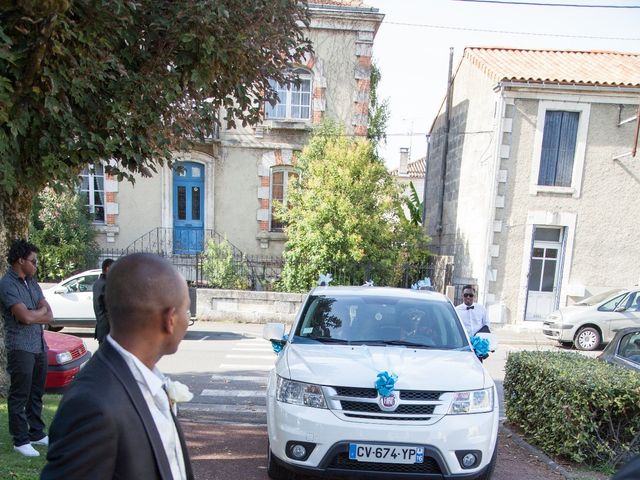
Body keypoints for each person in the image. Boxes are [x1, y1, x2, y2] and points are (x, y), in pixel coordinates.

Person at [41, 253, 194, 479]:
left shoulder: (145, 379)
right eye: (187, 311)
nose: (187, 321)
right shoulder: (92, 405)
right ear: (170, 319)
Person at [0, 239, 53, 457]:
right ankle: (20, 440)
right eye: (33, 261)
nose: (36, 265)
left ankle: (36, 433)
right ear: (20, 260)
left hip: (39, 345)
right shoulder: (7, 284)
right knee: (20, 394)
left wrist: (34, 315)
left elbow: (48, 313)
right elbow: (24, 317)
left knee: (36, 393)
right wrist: (34, 314)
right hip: (20, 347)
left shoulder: (31, 282)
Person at [92, 258, 114, 343]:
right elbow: (99, 307)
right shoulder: (102, 284)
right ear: (108, 269)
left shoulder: (108, 283)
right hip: (106, 329)